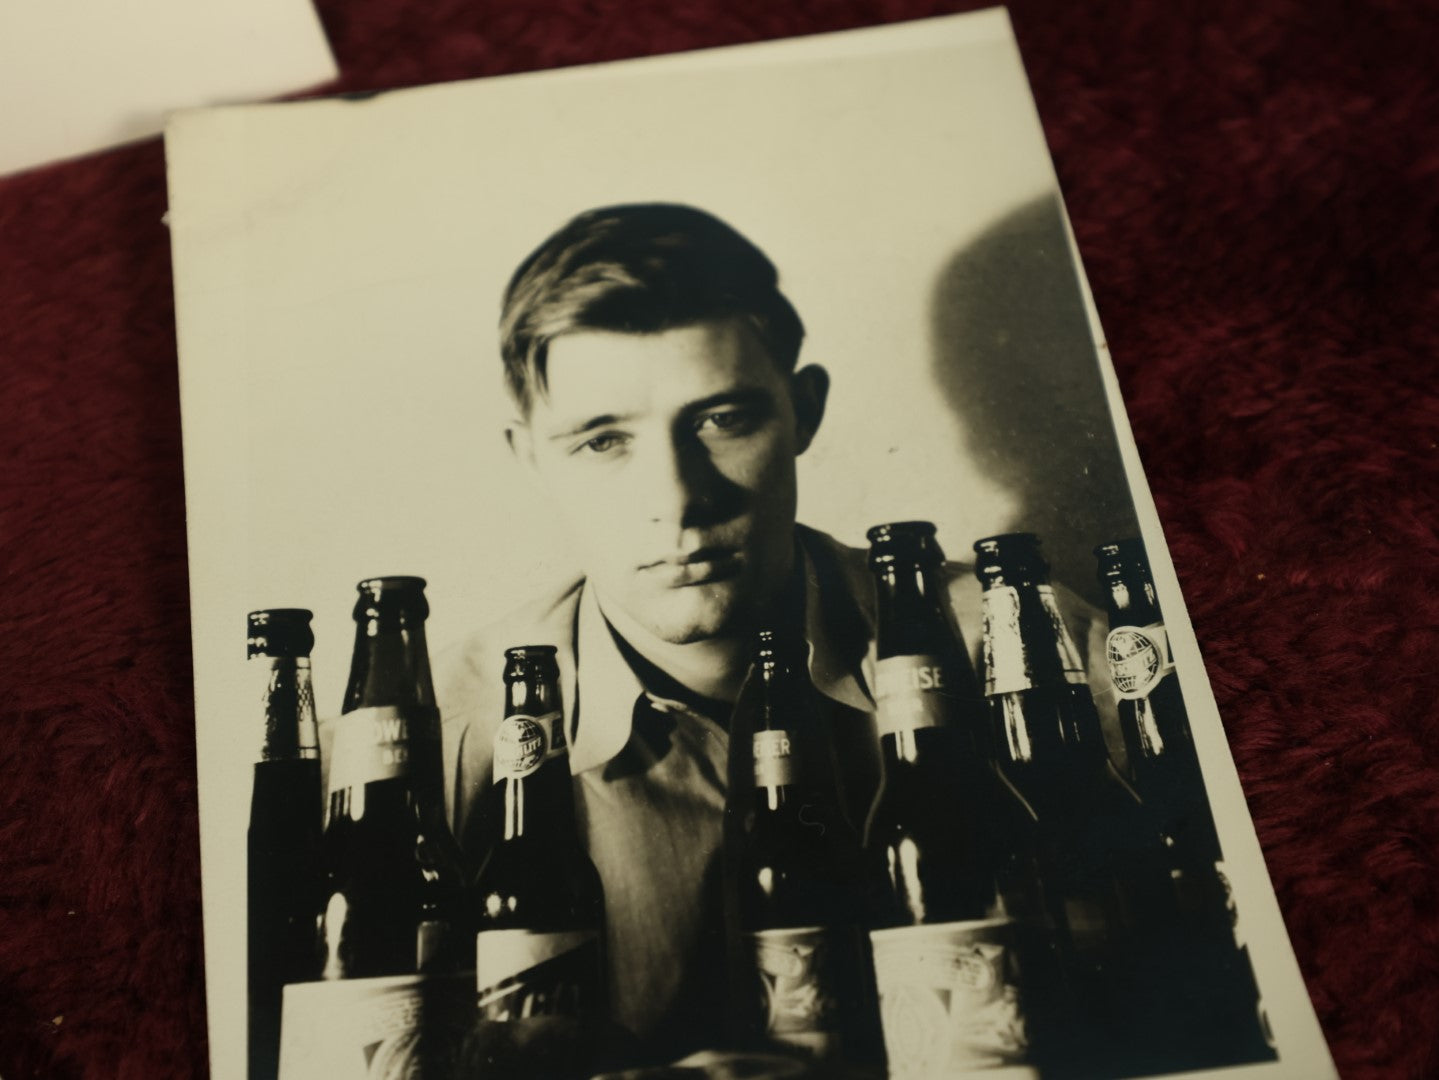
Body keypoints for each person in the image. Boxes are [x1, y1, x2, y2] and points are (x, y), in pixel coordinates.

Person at [435, 203, 1114, 1066]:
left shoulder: (1025, 647)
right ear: (529, 456)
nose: (679, 501)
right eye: (603, 441)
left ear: (804, 411)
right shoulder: (440, 735)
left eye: (722, 420)